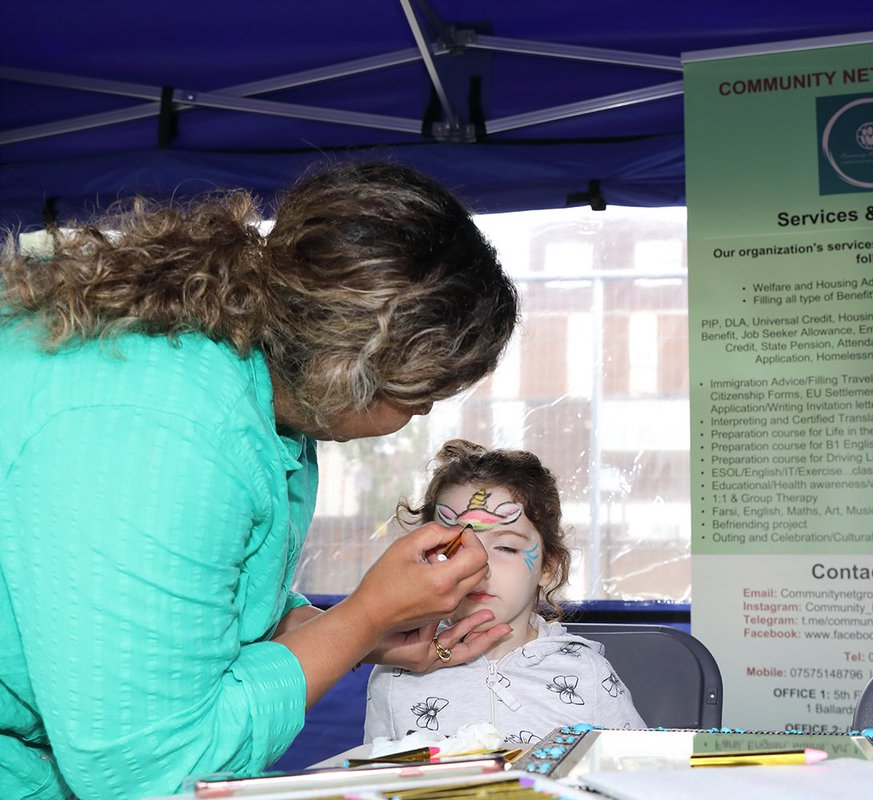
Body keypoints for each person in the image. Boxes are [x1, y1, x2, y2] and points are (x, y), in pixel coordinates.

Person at [0, 161, 521, 799]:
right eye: (425, 387)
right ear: (350, 363)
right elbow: (151, 773)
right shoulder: (164, 431)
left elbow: (191, 621)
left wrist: (356, 631)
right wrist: (362, 618)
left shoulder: (263, 395)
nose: (429, 409)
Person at [363, 440, 645, 746]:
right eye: (452, 548)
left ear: (547, 566)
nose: (477, 567)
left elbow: (635, 775)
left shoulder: (589, 676)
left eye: (507, 547)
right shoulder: (394, 677)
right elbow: (374, 782)